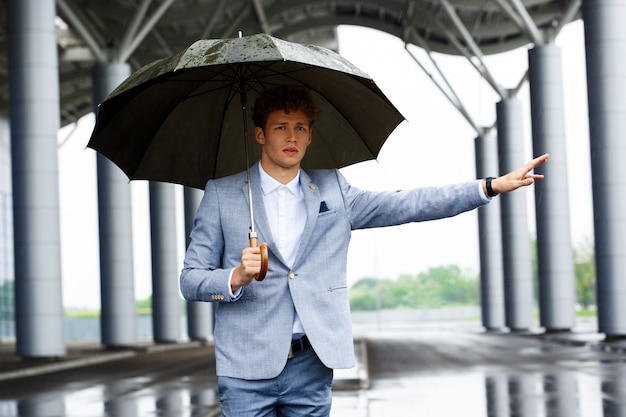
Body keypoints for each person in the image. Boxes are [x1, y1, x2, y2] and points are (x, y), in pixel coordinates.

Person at [180, 85, 549, 416]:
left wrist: (487, 187)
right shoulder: (222, 195)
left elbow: (407, 204)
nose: (291, 137)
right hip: (246, 366)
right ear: (260, 134)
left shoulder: (333, 189)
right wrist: (235, 277)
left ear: (310, 137)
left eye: (301, 128)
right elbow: (190, 279)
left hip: (312, 363)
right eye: (280, 127)